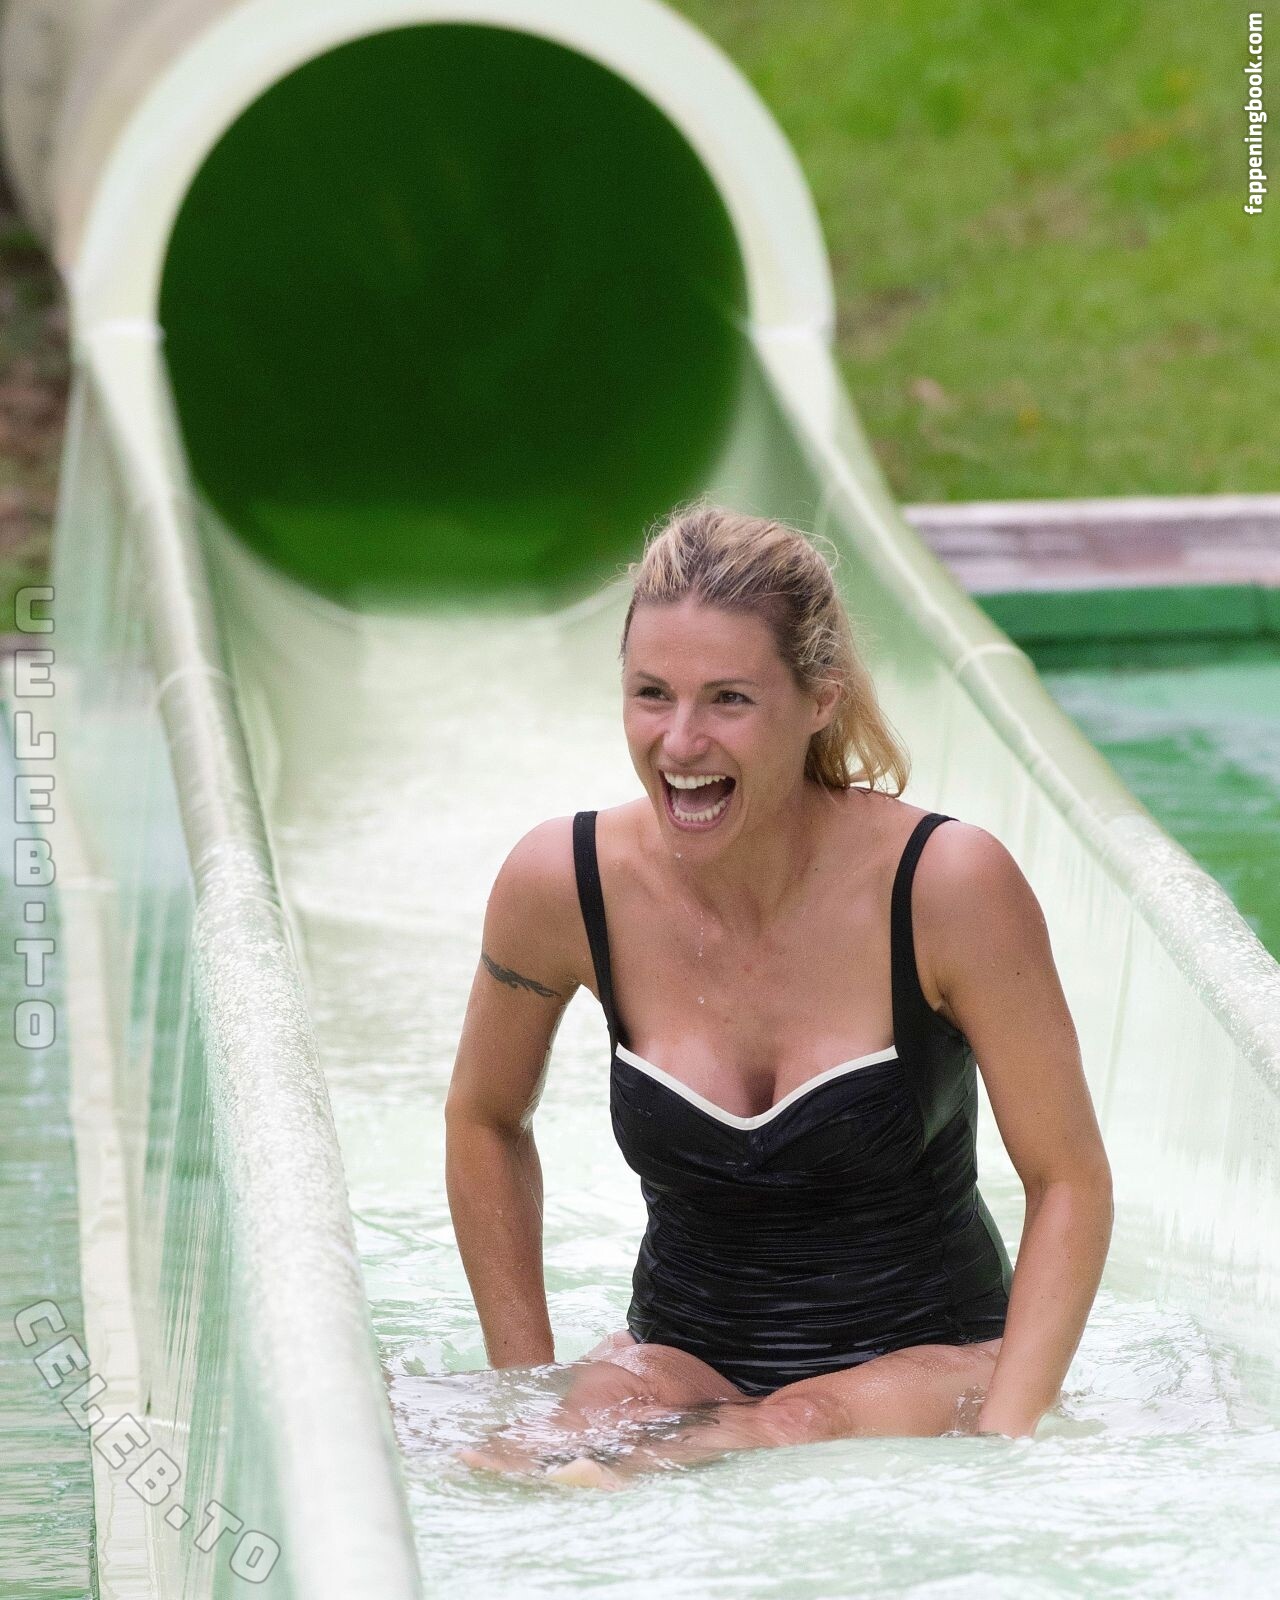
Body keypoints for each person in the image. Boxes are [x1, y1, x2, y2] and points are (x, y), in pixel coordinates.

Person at [444, 503, 1113, 1488]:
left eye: (728, 700)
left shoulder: (945, 885)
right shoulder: (563, 884)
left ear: (819, 701)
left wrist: (1003, 1443)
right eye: (651, 694)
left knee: (800, 1419)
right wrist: (530, 1389)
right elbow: (484, 1117)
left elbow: (1068, 1180)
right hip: (685, 1352)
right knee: (546, 1439)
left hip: (928, 1360)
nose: (680, 741)